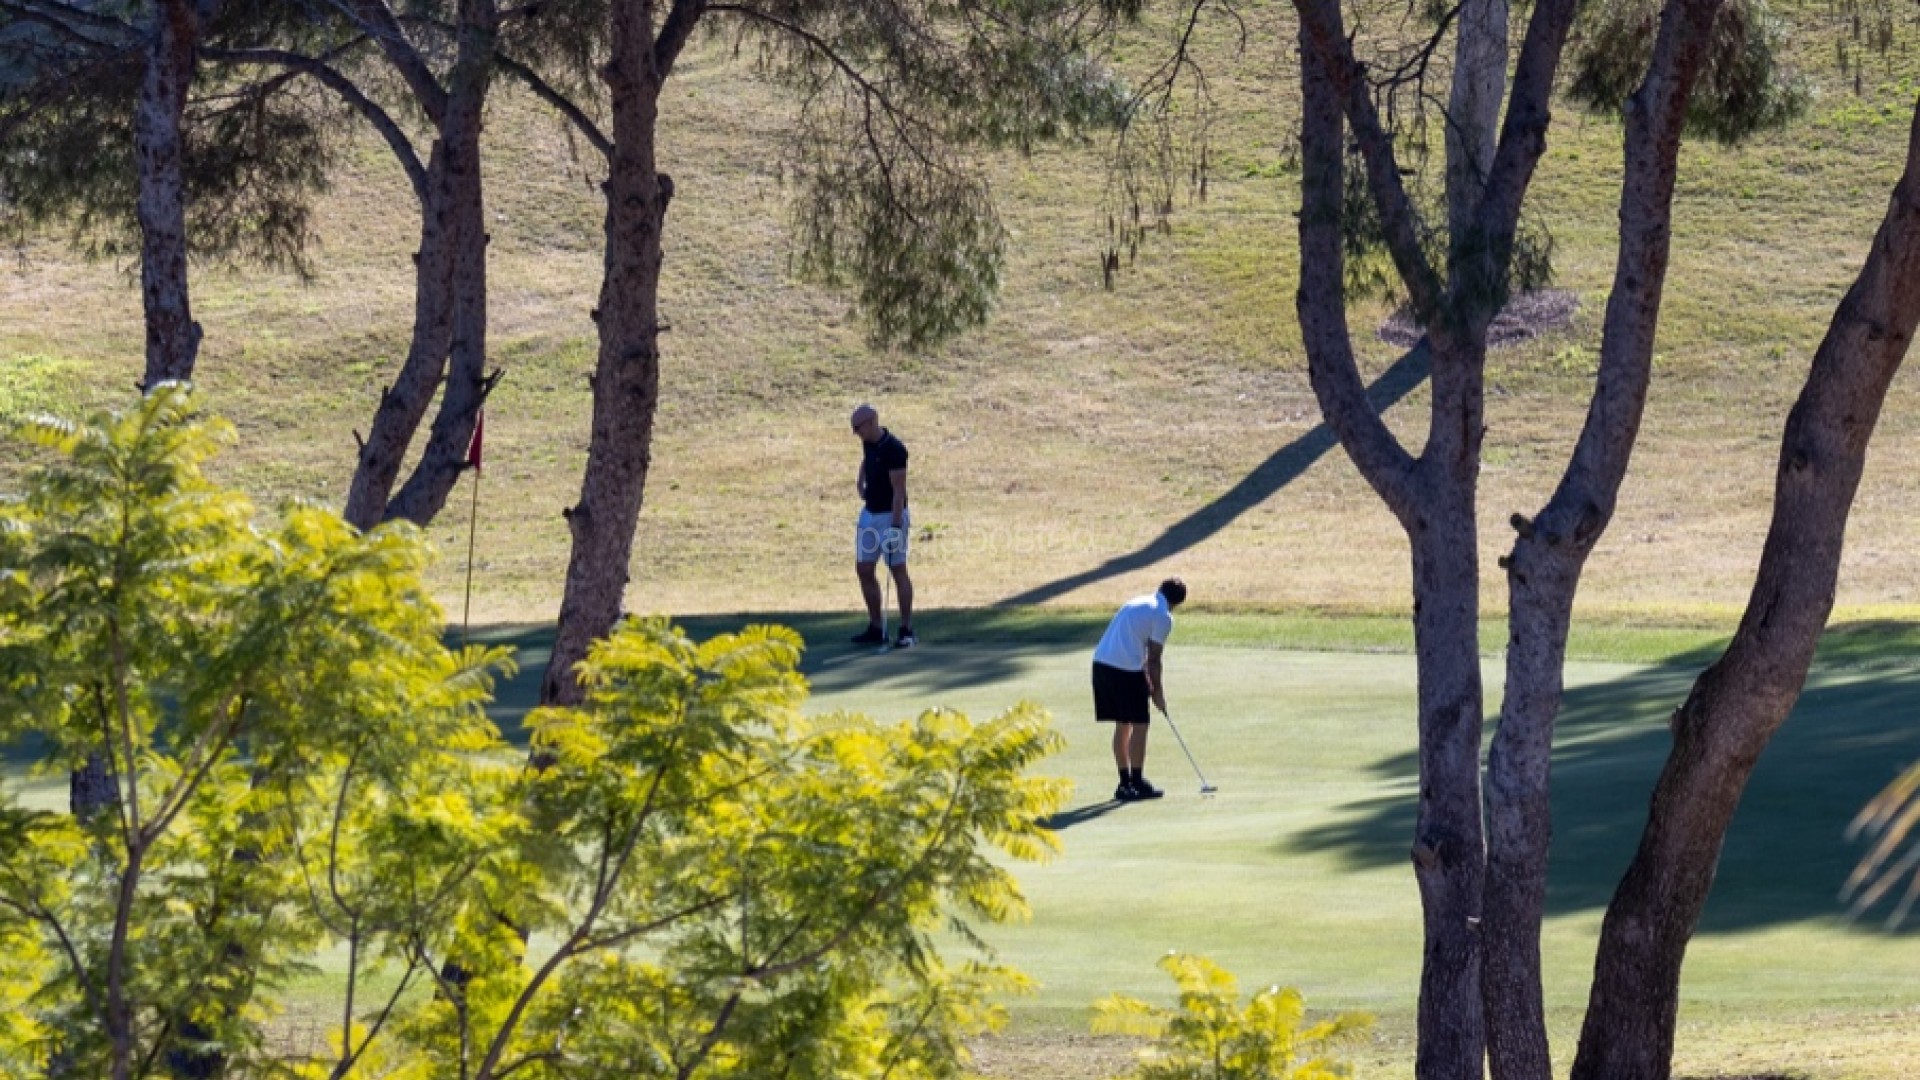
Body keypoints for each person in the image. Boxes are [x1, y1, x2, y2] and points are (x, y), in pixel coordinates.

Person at [1092, 578, 1187, 801]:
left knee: (1123, 724)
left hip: (1101, 664)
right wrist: (1158, 694)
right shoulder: (1164, 617)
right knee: (1140, 725)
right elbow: (1154, 659)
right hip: (1124, 670)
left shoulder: (1138, 601)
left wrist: (1149, 684)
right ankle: (1137, 781)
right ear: (1176, 603)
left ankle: (1125, 783)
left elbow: (1141, 651)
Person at [849, 403, 914, 648]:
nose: (856, 432)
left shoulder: (895, 450)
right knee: (864, 569)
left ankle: (906, 629)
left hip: (891, 515)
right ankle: (876, 627)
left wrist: (896, 528)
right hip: (869, 513)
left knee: (897, 569)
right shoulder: (868, 441)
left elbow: (899, 491)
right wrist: (860, 480)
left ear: (872, 422)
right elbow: (866, 460)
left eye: (858, 427)